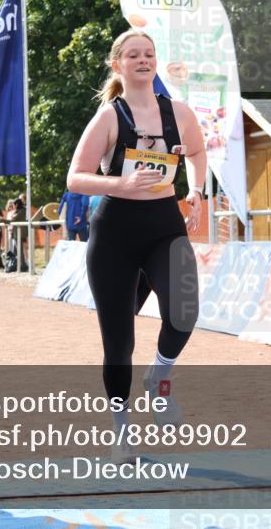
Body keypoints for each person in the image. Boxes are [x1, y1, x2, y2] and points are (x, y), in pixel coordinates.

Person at [67, 29, 206, 461]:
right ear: (118, 65)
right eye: (133, 55)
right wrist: (121, 183)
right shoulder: (110, 117)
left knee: (184, 311)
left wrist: (197, 192)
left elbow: (199, 155)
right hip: (115, 233)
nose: (143, 60)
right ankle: (121, 431)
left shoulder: (178, 113)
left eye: (148, 54)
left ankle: (159, 377)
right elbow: (75, 177)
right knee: (118, 341)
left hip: (164, 223)